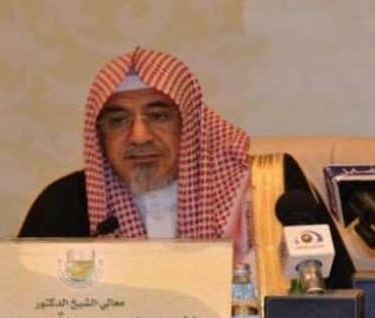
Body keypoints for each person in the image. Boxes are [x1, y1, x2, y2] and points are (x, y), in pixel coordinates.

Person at [19, 47, 252, 263]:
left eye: (159, 116)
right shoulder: (64, 204)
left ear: (191, 125)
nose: (140, 137)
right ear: (100, 135)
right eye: (118, 121)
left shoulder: (251, 196)